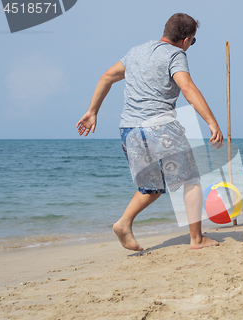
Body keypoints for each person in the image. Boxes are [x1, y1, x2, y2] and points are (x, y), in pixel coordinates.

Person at [76, 13, 222, 251]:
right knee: (191, 181)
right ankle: (196, 239)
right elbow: (187, 87)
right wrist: (211, 122)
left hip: (129, 130)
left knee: (152, 187)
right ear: (186, 40)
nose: (190, 46)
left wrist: (93, 111)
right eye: (192, 41)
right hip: (160, 126)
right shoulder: (176, 54)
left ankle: (124, 223)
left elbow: (106, 77)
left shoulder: (136, 52)